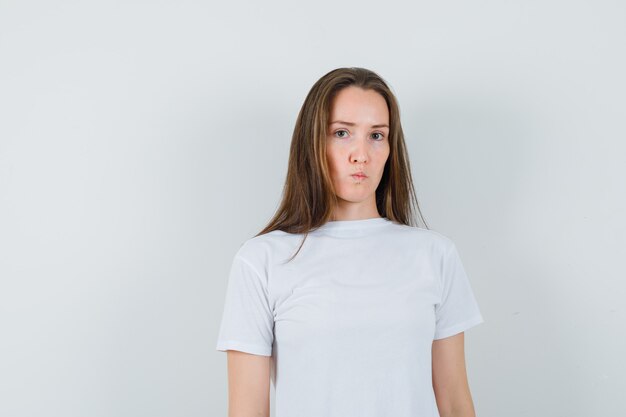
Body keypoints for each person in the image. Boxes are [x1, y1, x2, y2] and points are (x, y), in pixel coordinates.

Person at [215, 67, 484, 417]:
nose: (361, 154)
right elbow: (247, 411)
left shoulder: (435, 255)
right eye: (342, 133)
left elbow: (456, 403)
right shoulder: (261, 260)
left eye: (376, 135)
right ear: (313, 143)